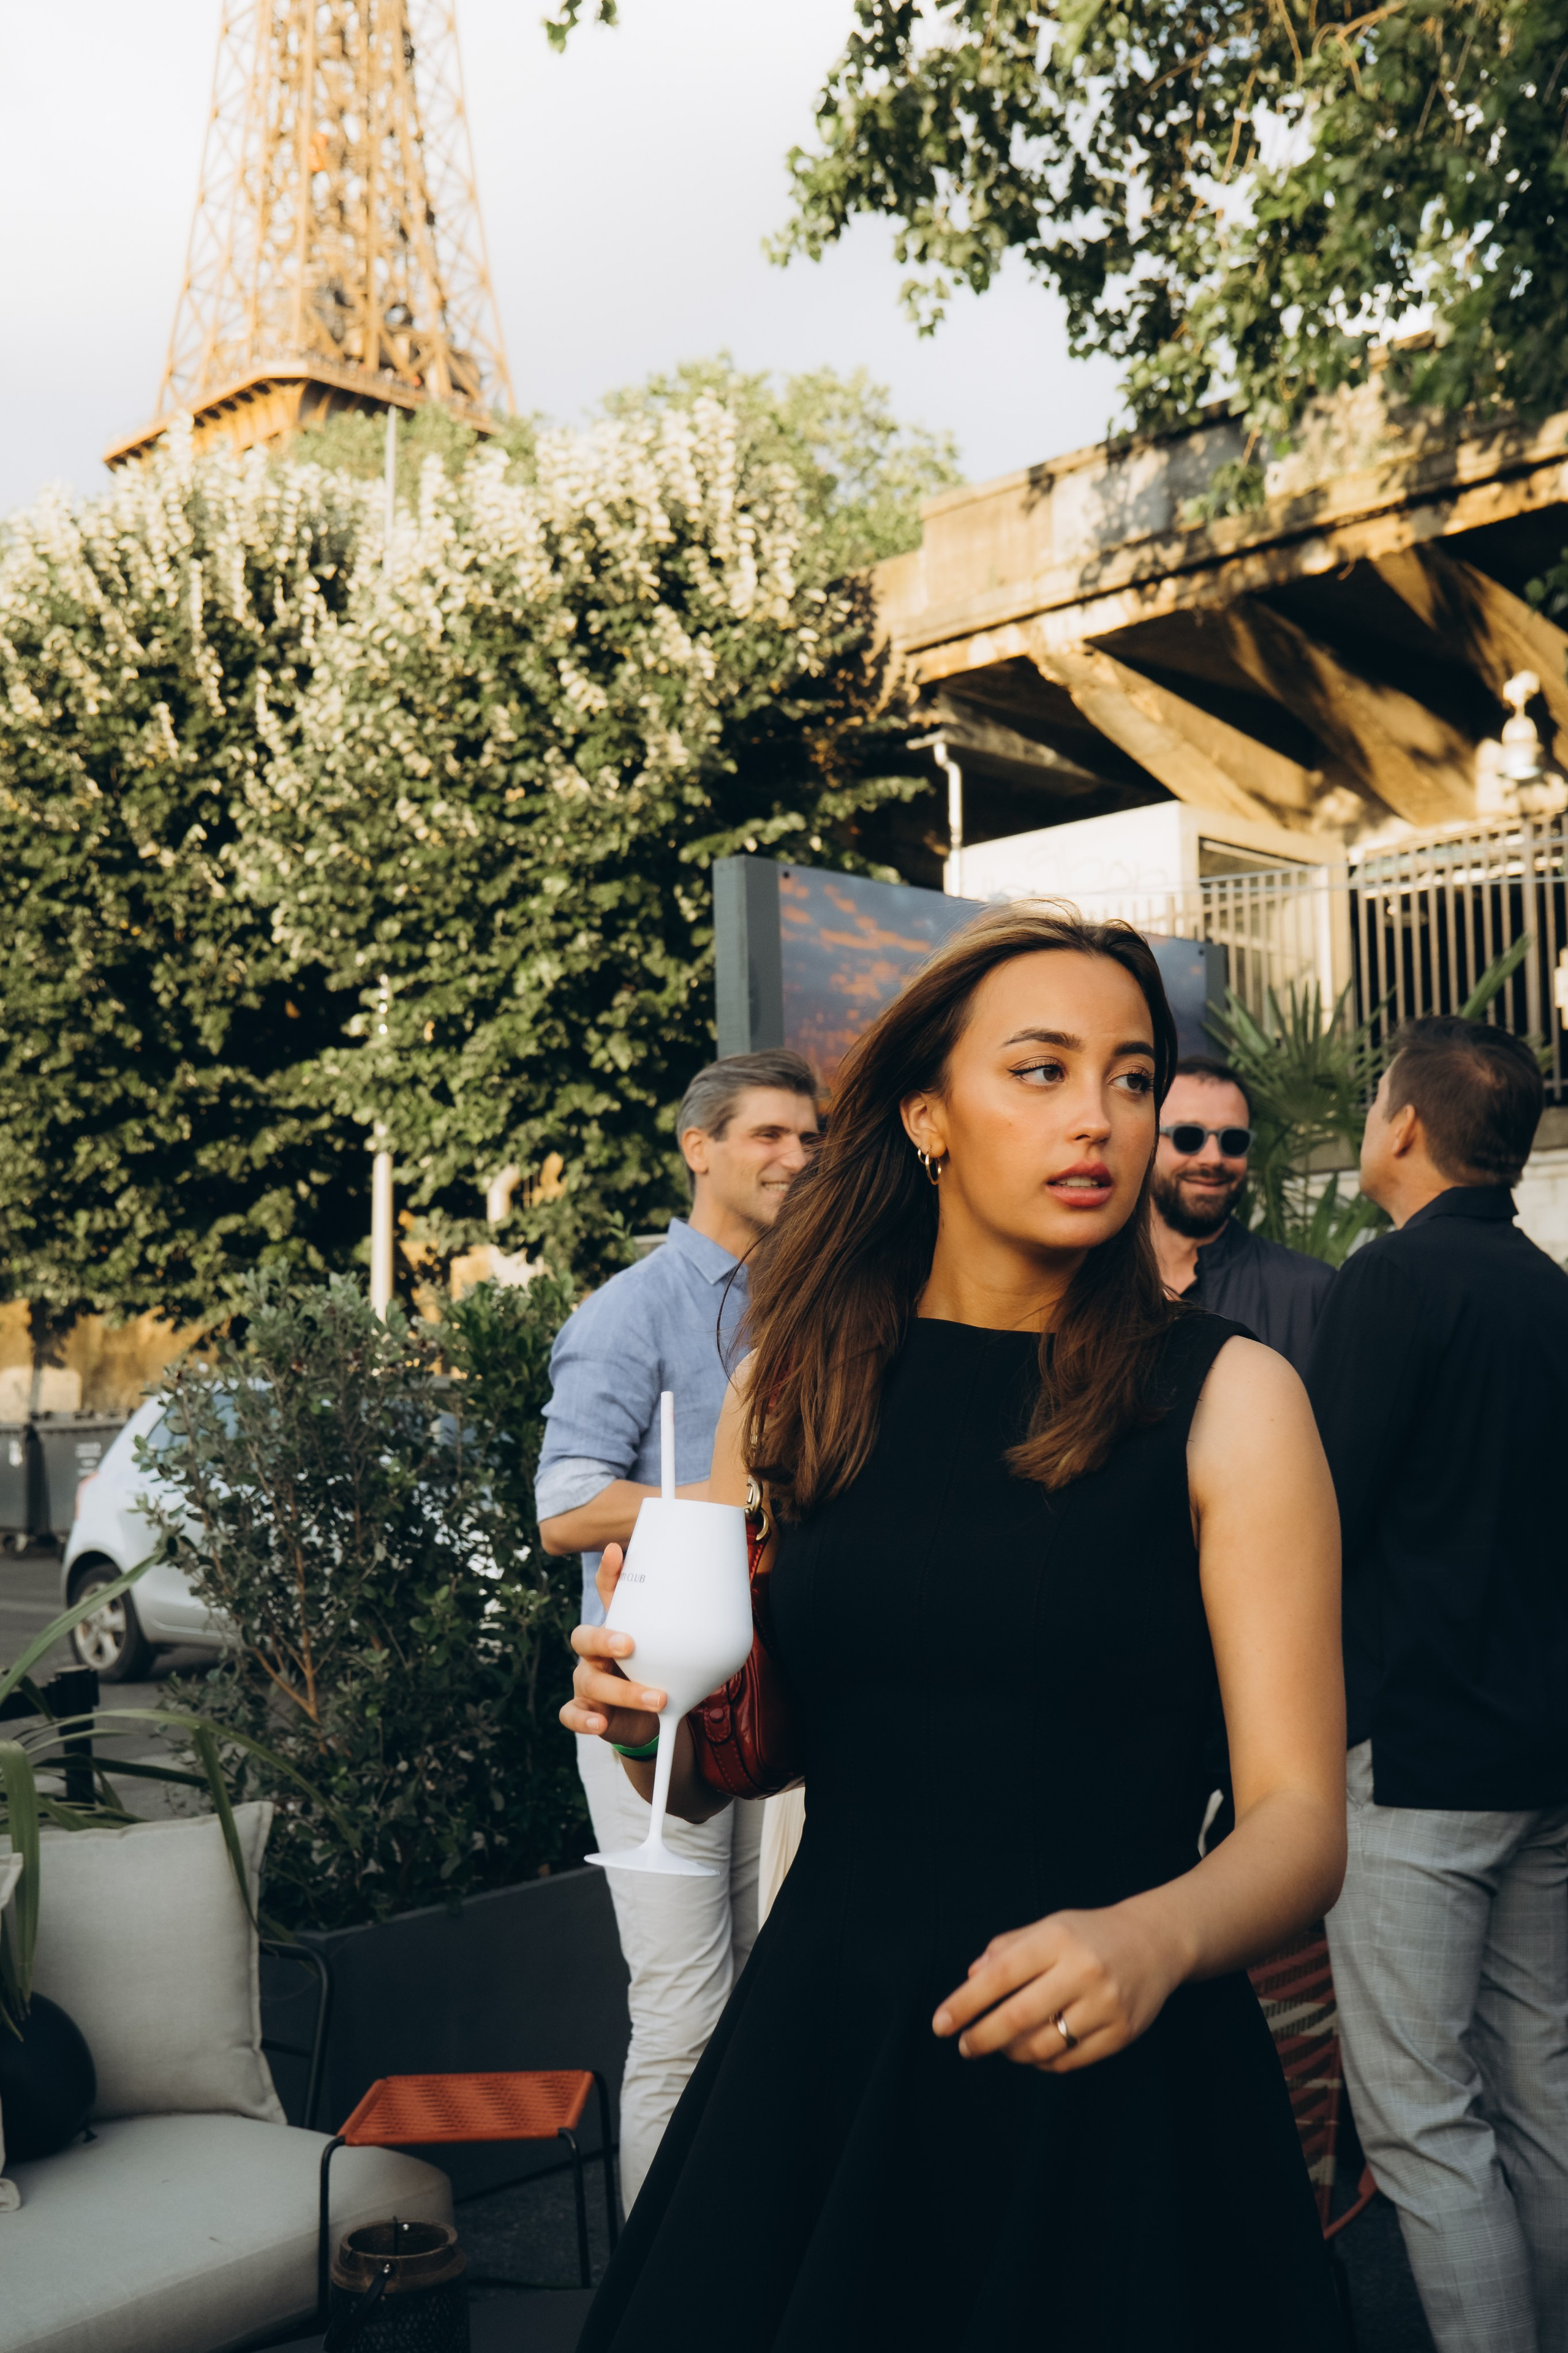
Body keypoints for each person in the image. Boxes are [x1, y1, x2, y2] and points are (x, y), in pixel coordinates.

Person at [565, 905, 1349, 2350]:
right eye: (1039, 1071)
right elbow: (707, 1771)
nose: (1098, 1117)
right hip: (829, 2046)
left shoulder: (1231, 1399)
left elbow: (1300, 1823)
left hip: (1116, 2073)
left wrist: (1156, 1936)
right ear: (926, 1117)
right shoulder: (791, 1386)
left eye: (1129, 1077)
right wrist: (640, 1725)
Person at [1305, 1016, 1568, 2353]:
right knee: (1543, 2096)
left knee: (1420, 2121)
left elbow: (1317, 1515)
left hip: (1414, 1765)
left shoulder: (1390, 1280)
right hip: (1543, 1759)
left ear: (1403, 1124)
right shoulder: (1551, 1292)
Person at [536, 1048, 821, 2209]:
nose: (797, 1156)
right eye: (769, 1134)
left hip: (776, 1696)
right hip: (651, 1699)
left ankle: (737, 2260)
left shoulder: (810, 1296)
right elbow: (564, 1507)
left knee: (760, 2006)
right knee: (685, 2017)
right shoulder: (631, 1308)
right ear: (699, 1147)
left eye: (809, 1137)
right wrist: (739, 1495)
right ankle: (654, 2291)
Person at [1150, 1054, 1334, 1372]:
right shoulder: (1086, 1281)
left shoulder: (1312, 1293)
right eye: (1188, 1137)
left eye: (1233, 1141)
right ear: (1147, 1141)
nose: (1213, 1159)